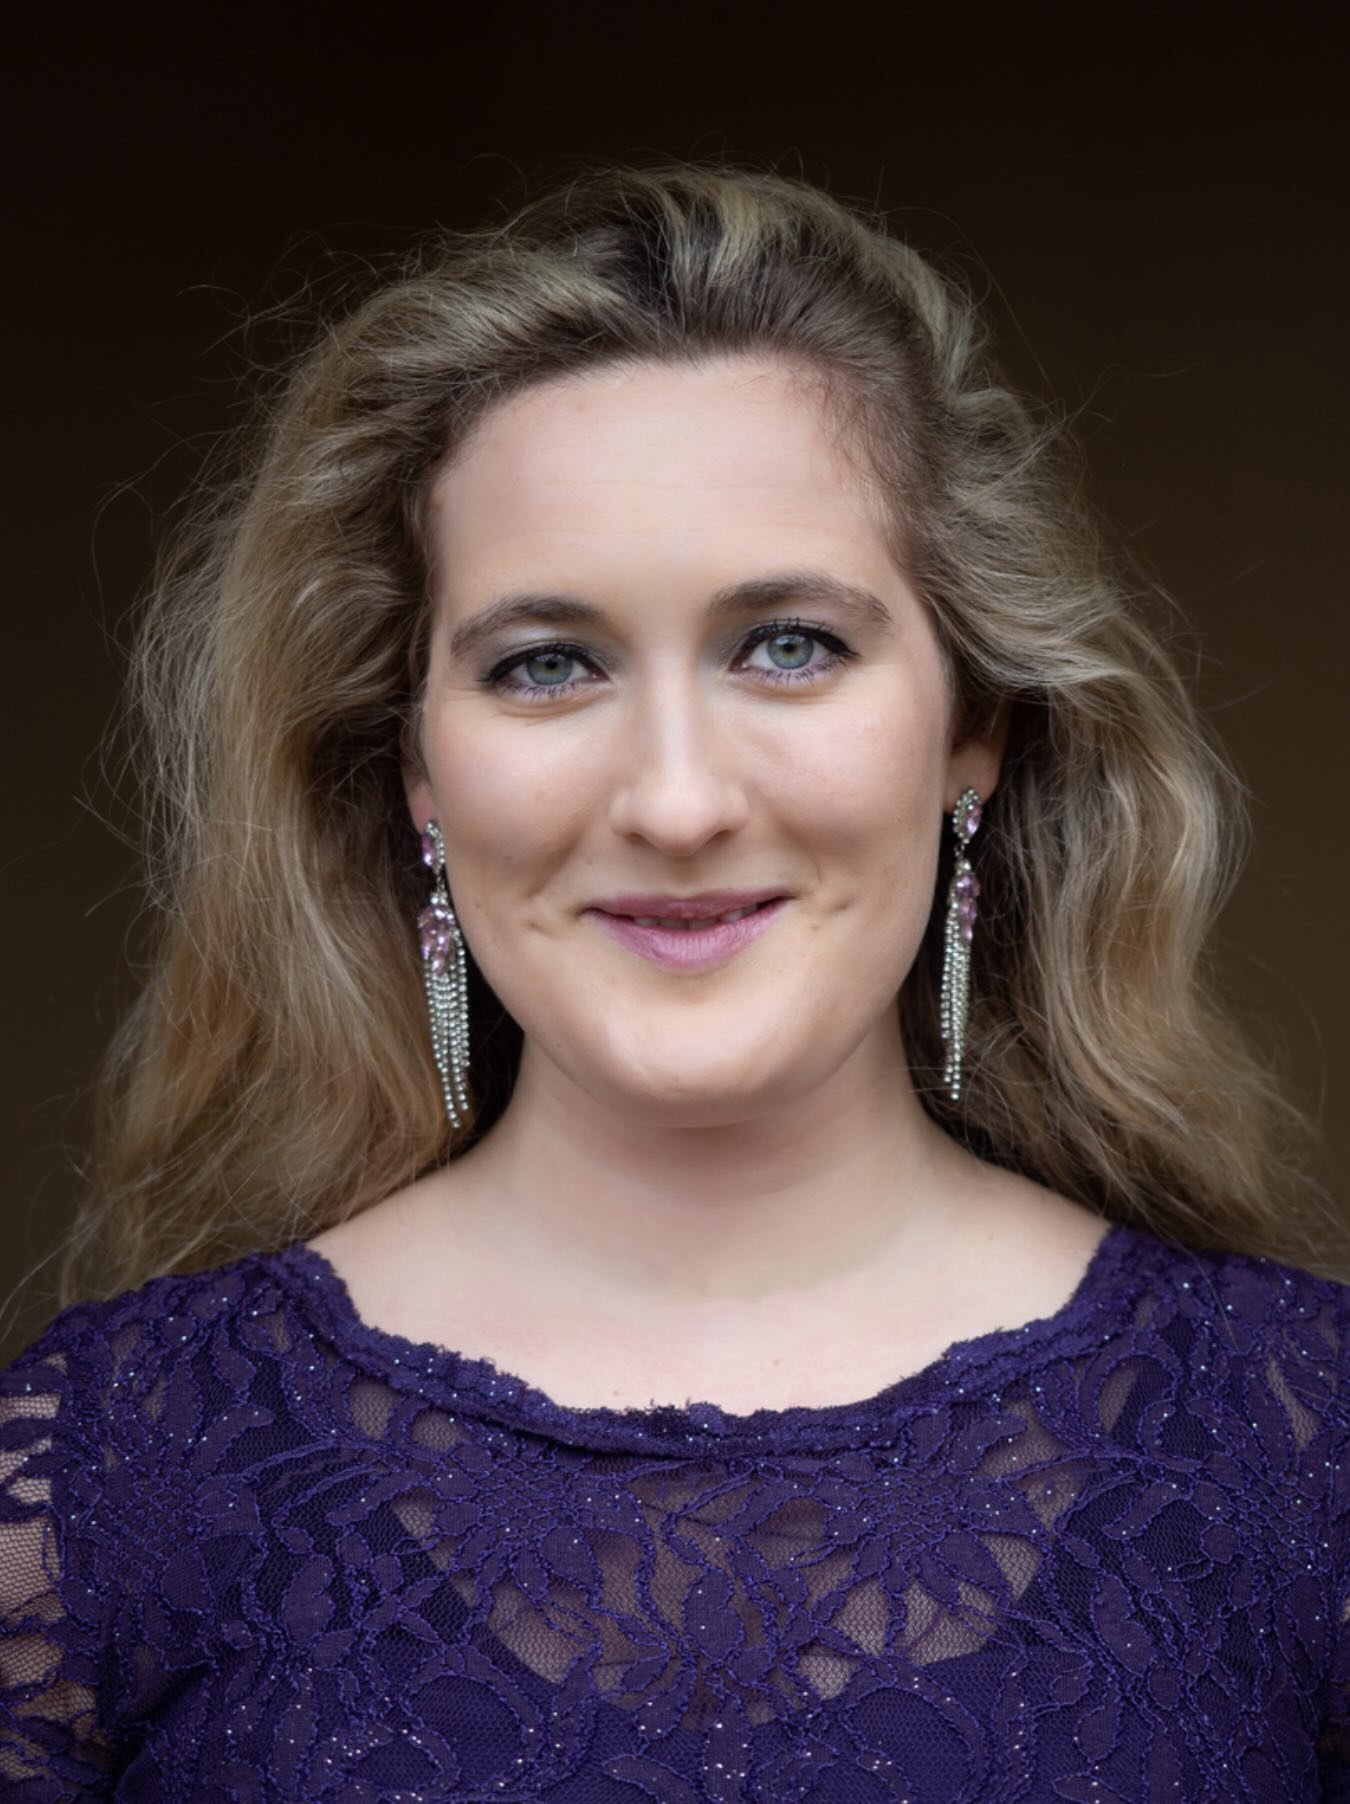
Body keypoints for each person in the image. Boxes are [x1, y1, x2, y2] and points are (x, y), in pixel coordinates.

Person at [1, 161, 1346, 1802]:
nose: (678, 800)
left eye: (787, 642)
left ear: (972, 729)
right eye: (545, 664)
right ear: (417, 771)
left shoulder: (1308, 1449)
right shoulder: (101, 1472)